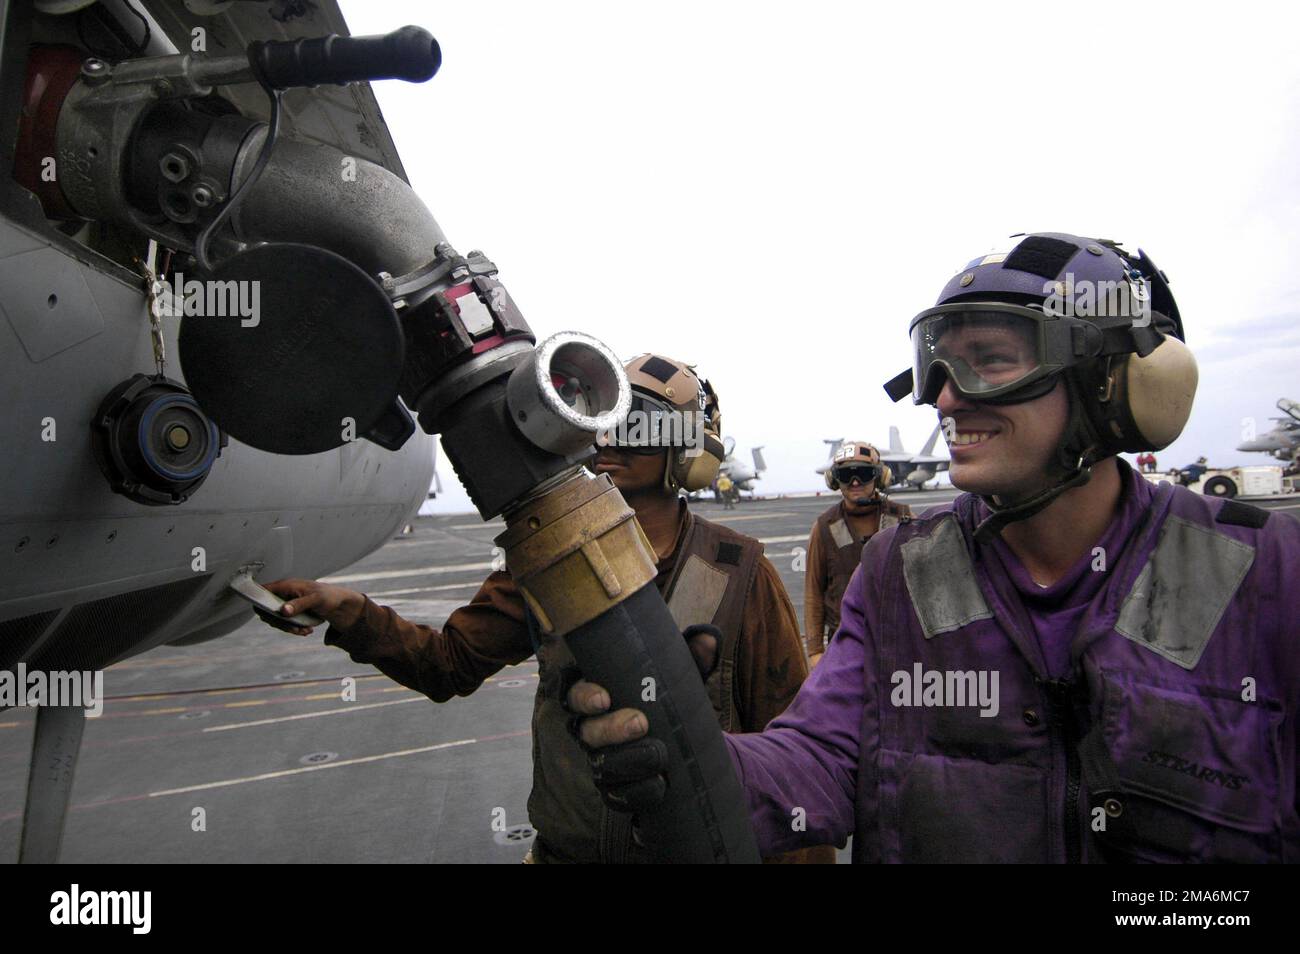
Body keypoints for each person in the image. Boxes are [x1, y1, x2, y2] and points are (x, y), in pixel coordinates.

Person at [570, 232, 1300, 863]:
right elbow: (821, 760)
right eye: (939, 365)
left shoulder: (1262, 571)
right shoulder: (904, 571)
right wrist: (689, 755)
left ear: (1115, 383)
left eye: (991, 359)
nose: (946, 397)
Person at [260, 353, 835, 864]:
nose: (609, 442)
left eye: (636, 426)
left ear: (687, 452)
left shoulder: (739, 572)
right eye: (606, 423)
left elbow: (789, 756)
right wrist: (352, 611)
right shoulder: (549, 560)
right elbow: (447, 664)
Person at [803, 443, 911, 668]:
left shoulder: (903, 518)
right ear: (834, 480)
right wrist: (815, 652)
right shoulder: (824, 527)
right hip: (844, 647)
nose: (854, 483)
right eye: (845, 476)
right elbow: (814, 591)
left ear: (879, 477)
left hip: (899, 643)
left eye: (863, 474)